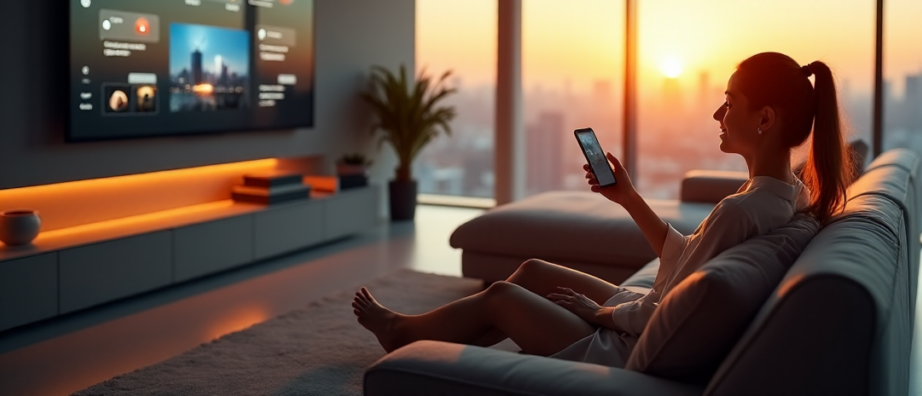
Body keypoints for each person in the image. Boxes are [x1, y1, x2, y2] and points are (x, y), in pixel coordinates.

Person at [352, 52, 852, 365]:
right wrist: (628, 197)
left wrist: (604, 313)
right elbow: (683, 266)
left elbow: (665, 316)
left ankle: (403, 336)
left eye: (730, 101)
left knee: (501, 296)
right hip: (644, 312)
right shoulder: (789, 195)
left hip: (626, 347)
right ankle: (421, 340)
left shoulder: (742, 212)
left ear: (764, 117)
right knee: (533, 271)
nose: (717, 113)